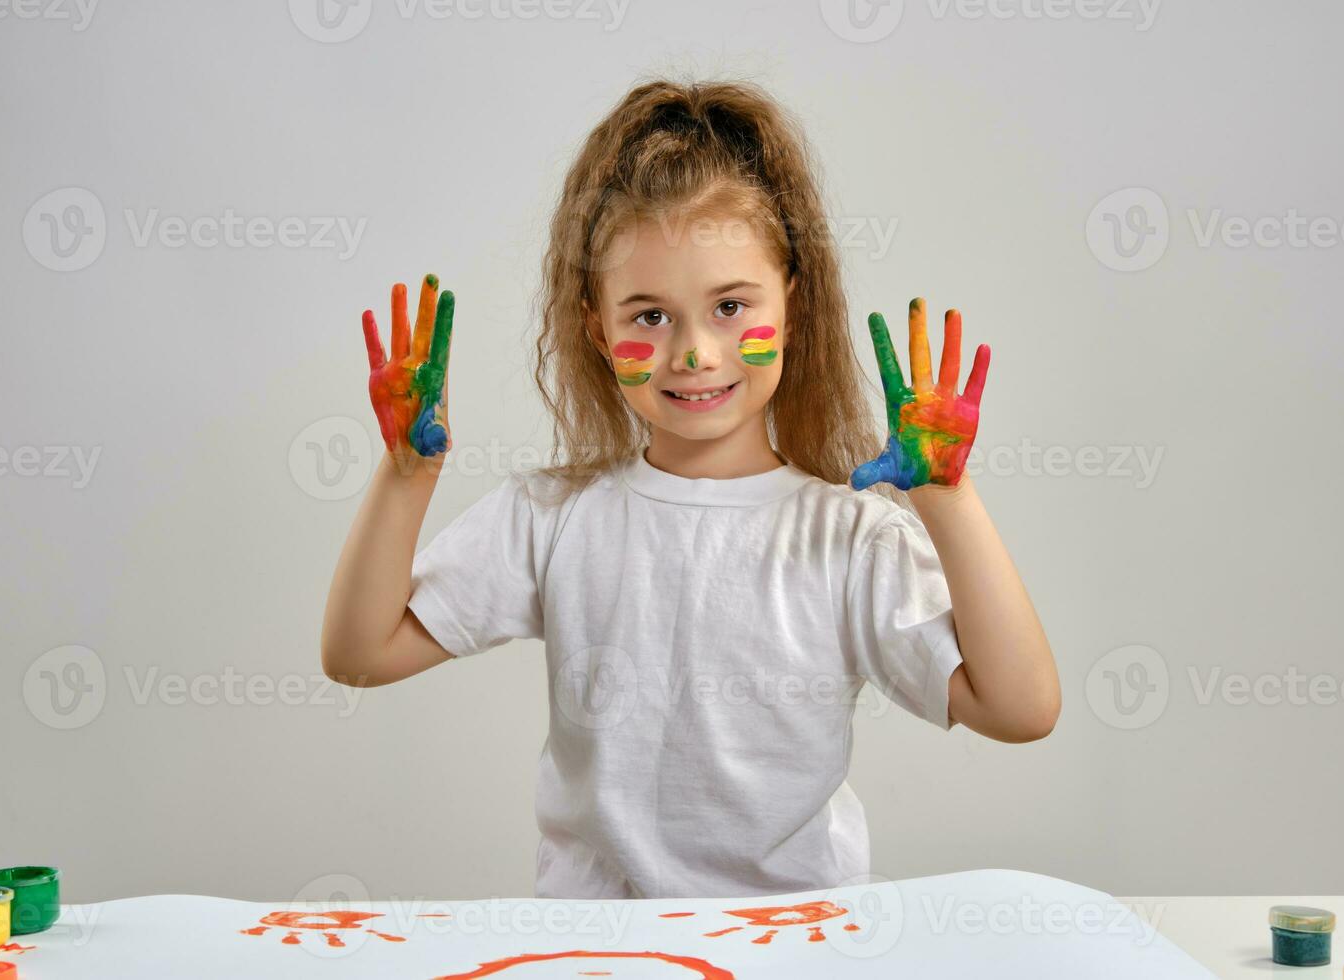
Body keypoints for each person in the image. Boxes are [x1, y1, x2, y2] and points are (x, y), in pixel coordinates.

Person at [321, 78, 1059, 900]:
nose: (696, 352)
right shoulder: (554, 518)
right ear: (598, 328)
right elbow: (358, 654)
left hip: (791, 948)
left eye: (731, 305)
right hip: (598, 949)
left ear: (795, 304)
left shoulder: (847, 537)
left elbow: (1021, 708)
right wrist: (405, 476)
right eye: (650, 316)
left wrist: (949, 501)